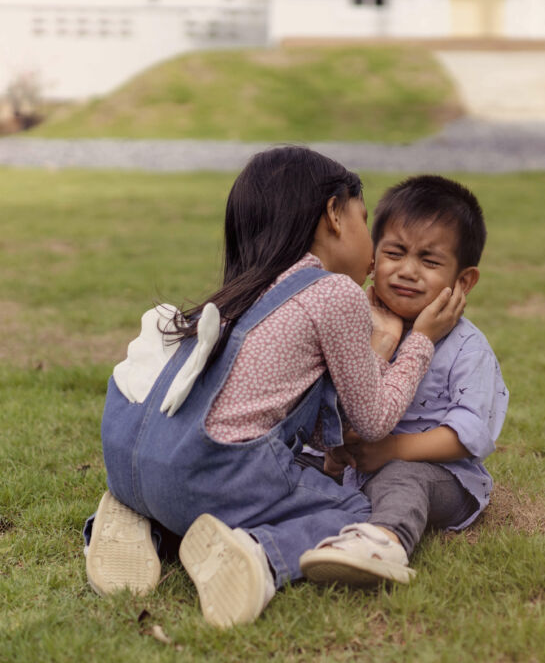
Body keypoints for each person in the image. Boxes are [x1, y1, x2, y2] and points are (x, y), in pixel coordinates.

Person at [84, 148, 465, 628]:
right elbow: (372, 420)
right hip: (205, 475)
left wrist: (381, 343)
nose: (373, 249)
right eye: (364, 221)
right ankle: (261, 555)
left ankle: (144, 520)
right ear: (333, 213)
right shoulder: (333, 292)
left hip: (131, 455)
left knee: (239, 476)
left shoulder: (247, 286)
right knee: (356, 509)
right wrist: (420, 343)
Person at [300, 175, 509, 585]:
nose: (407, 271)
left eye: (430, 262)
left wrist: (392, 450)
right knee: (293, 462)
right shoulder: (353, 325)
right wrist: (336, 446)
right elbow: (331, 402)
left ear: (463, 282)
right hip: (359, 467)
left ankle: (382, 542)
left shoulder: (468, 348)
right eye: (395, 253)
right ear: (374, 259)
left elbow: (469, 433)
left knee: (402, 478)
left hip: (439, 474)